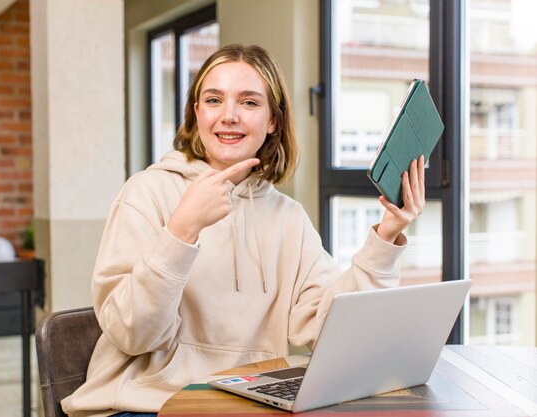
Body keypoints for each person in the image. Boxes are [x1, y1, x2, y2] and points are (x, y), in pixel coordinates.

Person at [61, 44, 425, 417]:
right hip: (146, 403)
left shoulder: (288, 217)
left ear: (272, 121)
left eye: (249, 103)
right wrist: (181, 230)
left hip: (246, 402)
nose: (229, 116)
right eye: (214, 100)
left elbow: (331, 330)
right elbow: (132, 334)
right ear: (197, 113)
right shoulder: (146, 193)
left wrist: (385, 238)